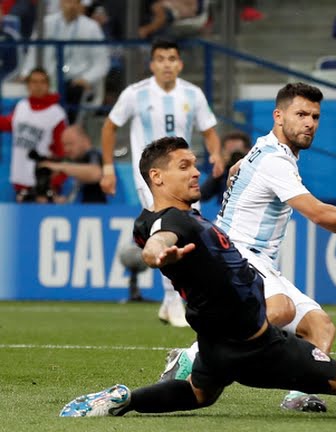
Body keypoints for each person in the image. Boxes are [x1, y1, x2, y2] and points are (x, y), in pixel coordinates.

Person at [58, 136, 336, 421]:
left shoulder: (165, 217)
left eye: (194, 164)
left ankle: (124, 399)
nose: (195, 171)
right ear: (157, 177)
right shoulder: (174, 222)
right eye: (184, 166)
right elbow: (157, 239)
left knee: (199, 393)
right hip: (259, 347)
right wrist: (157, 253)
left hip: (217, 346)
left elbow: (152, 230)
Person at [160, 83, 336, 413]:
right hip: (236, 254)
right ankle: (193, 354)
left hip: (256, 258)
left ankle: (298, 393)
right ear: (278, 116)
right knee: (280, 310)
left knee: (320, 326)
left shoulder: (268, 150)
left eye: (315, 116)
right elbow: (320, 214)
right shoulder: (274, 161)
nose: (309, 123)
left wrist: (240, 168)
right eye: (301, 114)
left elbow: (244, 167)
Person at [100, 38, 225, 328]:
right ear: (152, 64)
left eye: (171, 59)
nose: (166, 64)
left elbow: (209, 130)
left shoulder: (192, 94)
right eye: (161, 59)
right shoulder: (135, 94)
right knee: (168, 226)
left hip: (181, 175)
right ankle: (173, 300)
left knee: (189, 230)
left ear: (179, 64)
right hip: (150, 177)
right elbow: (109, 127)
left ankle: (177, 300)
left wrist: (216, 154)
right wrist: (107, 168)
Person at [19, 0, 109, 125]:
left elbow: (102, 62)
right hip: (48, 78)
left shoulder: (91, 28)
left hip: (75, 80)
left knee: (73, 92)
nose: (71, 6)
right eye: (67, 1)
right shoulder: (46, 23)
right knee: (36, 86)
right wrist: (26, 72)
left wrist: (86, 79)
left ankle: (67, 128)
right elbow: (33, 52)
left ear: (80, 5)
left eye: (75, 2)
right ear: (61, 3)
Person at [0, 67, 67, 203]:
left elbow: (62, 151)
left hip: (44, 183)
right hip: (21, 179)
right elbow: (9, 123)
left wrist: (55, 182)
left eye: (42, 82)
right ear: (28, 85)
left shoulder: (56, 114)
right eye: (34, 82)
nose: (38, 86)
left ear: (48, 85)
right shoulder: (22, 106)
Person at [38, 125, 107, 203]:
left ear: (85, 140)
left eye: (70, 144)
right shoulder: (75, 166)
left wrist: (61, 167)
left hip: (99, 209)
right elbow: (69, 200)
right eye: (64, 145)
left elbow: (96, 173)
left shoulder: (94, 155)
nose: (66, 149)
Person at [199, 131, 251, 205]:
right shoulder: (223, 172)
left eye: (237, 153)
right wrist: (216, 176)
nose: (234, 157)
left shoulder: (255, 172)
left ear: (248, 151)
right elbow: (202, 196)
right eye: (229, 152)